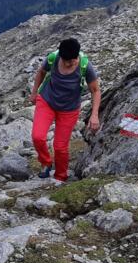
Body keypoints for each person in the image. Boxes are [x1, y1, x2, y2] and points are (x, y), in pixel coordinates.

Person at [29, 38, 101, 184]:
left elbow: (95, 90)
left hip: (69, 109)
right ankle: (46, 162)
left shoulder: (85, 66)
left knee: (60, 147)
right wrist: (34, 92)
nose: (71, 63)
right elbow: (41, 72)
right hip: (47, 101)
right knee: (38, 137)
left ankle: (60, 177)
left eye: (74, 59)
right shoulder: (52, 59)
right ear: (61, 57)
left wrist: (94, 115)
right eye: (68, 61)